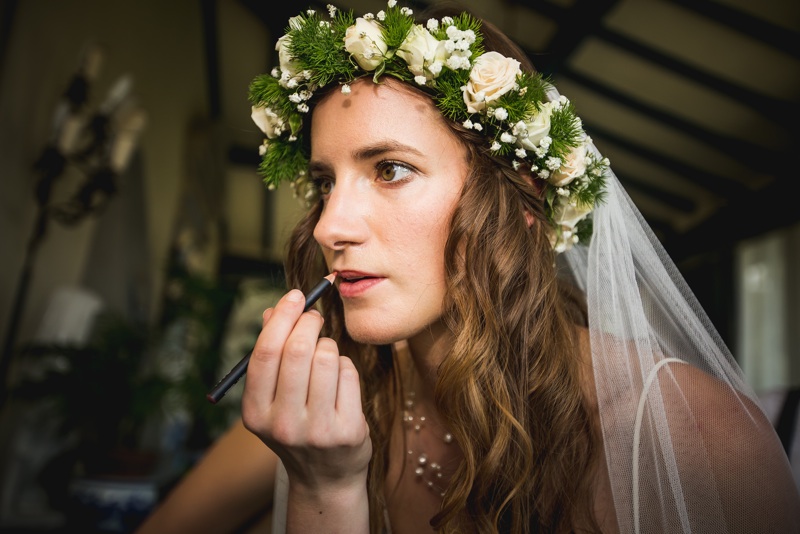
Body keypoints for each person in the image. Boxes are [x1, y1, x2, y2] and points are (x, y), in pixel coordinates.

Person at [137, 1, 800, 532]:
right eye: (323, 182)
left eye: (389, 170)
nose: (329, 226)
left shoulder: (695, 443)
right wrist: (323, 490)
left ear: (521, 205)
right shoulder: (312, 423)